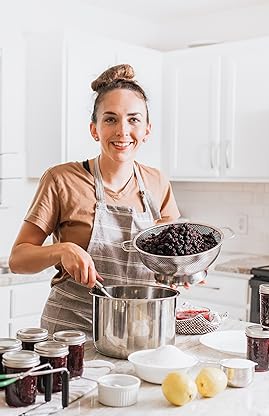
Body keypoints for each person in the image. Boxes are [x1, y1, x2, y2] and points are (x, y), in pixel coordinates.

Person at [9, 64, 180, 337]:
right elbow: (18, 259)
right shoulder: (61, 179)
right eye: (110, 119)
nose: (122, 131)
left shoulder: (157, 182)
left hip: (139, 329)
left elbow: (171, 259)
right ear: (94, 129)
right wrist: (61, 250)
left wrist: (184, 271)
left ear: (147, 129)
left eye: (133, 119)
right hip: (71, 331)